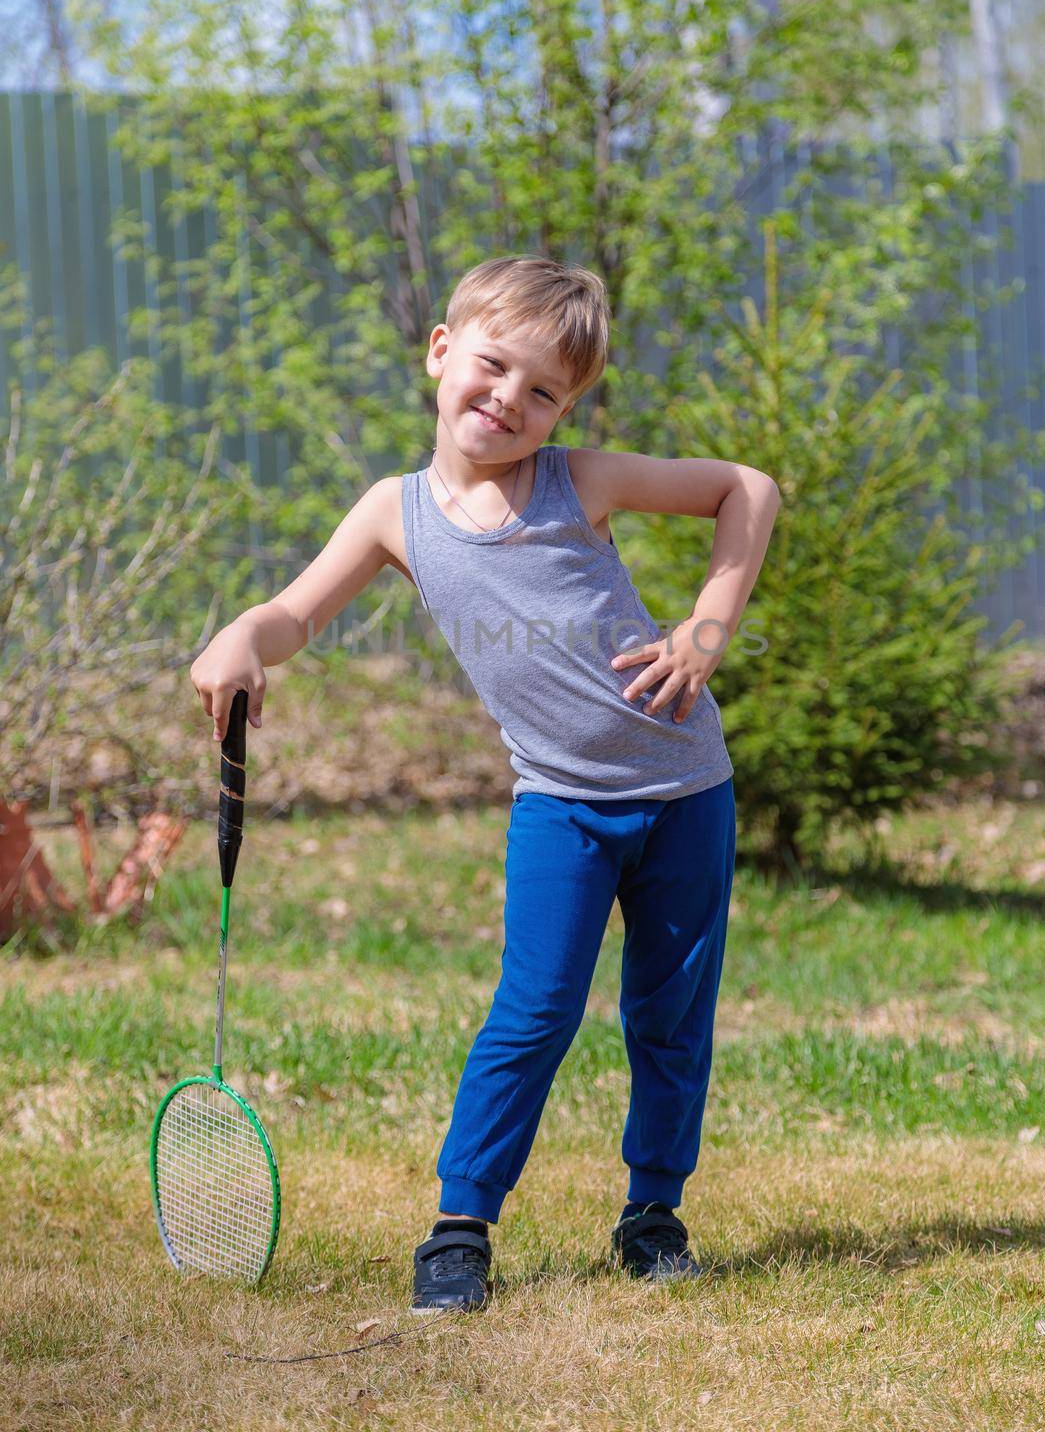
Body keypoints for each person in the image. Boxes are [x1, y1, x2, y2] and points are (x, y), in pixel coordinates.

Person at [190, 254, 781, 1313]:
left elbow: (747, 488)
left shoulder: (576, 481)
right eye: (495, 365)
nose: (509, 398)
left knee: (668, 1012)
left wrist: (704, 629)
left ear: (565, 410)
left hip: (687, 791)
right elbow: (291, 616)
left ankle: (652, 1217)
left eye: (543, 390)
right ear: (440, 351)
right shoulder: (393, 514)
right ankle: (459, 1229)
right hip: (558, 803)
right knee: (533, 1011)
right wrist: (242, 635)